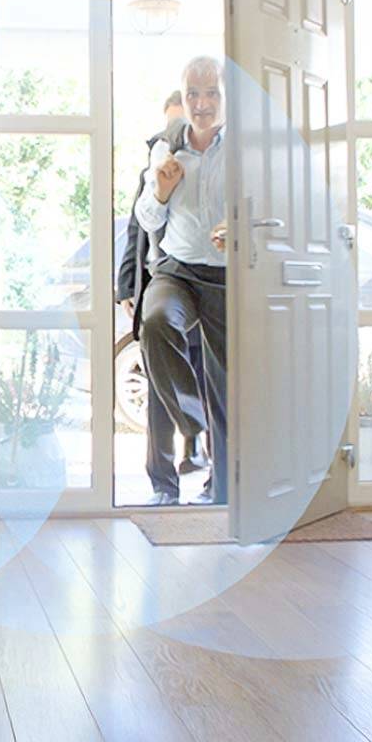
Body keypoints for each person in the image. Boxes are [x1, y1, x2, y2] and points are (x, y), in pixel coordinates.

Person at [135, 55, 229, 506]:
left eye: (211, 92)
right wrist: (160, 192)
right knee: (155, 323)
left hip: (228, 277)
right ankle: (195, 428)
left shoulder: (245, 150)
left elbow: (269, 211)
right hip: (176, 269)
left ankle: (224, 488)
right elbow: (145, 217)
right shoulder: (165, 149)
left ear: (225, 96)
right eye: (194, 93)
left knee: (226, 380)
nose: (202, 103)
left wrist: (241, 229)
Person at [118, 90, 210, 505]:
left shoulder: (211, 168)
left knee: (211, 385)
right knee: (158, 393)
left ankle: (215, 480)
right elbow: (135, 235)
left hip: (205, 295)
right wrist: (125, 288)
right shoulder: (153, 170)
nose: (175, 137)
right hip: (161, 288)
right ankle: (163, 486)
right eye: (170, 126)